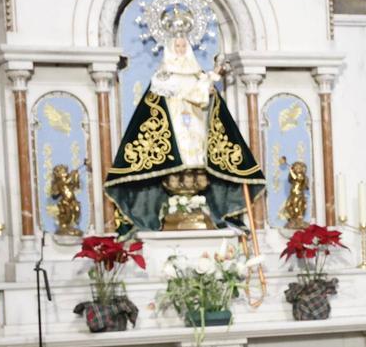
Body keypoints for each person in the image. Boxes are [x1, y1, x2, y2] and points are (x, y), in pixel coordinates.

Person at [104, 31, 264, 233]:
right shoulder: (163, 76)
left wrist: (210, 81)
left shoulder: (197, 74)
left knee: (196, 157)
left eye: (183, 46)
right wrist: (204, 86)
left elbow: (202, 94)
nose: (180, 50)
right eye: (177, 46)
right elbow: (185, 94)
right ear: (170, 49)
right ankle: (176, 204)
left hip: (195, 121)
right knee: (179, 156)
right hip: (175, 122)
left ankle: (198, 200)